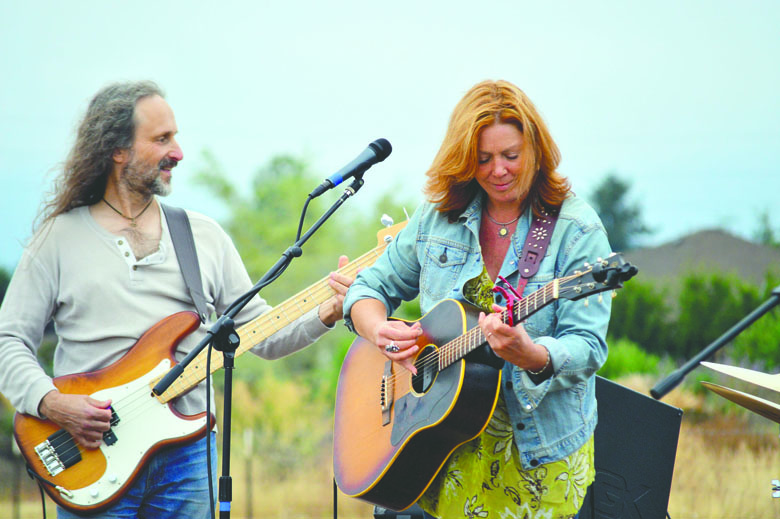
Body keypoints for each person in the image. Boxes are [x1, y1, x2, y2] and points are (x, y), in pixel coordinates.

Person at [0, 80, 353, 518]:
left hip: (187, 457)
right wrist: (53, 404)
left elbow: (260, 335)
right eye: (162, 139)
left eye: (176, 137)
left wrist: (326, 311)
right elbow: (8, 342)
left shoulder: (202, 236)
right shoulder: (58, 239)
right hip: (90, 455)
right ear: (117, 150)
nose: (179, 152)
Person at [343, 79, 612, 519]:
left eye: (511, 155)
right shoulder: (439, 217)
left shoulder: (577, 230)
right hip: (439, 450)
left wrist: (531, 354)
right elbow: (369, 287)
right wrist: (377, 329)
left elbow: (588, 346)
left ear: (536, 150)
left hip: (535, 460)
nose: (498, 170)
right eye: (482, 159)